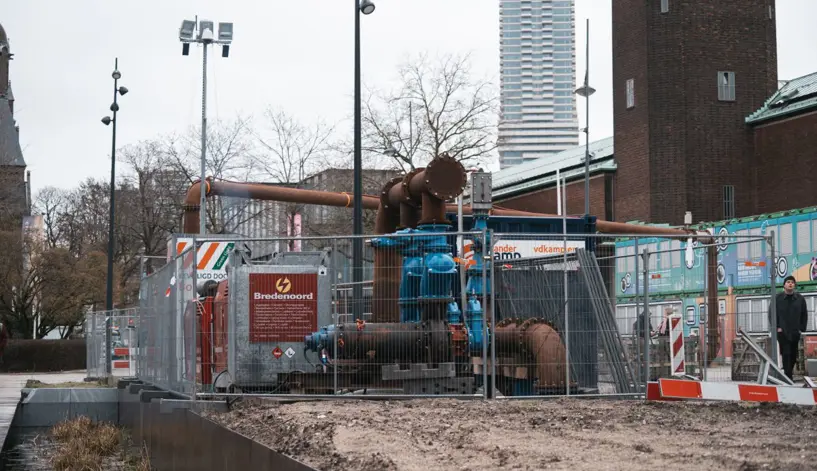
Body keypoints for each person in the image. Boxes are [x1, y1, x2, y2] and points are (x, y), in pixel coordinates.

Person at [770, 275, 808, 380]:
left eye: (792, 282)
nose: (790, 284)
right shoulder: (777, 298)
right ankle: (788, 377)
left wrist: (802, 328)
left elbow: (804, 314)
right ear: (784, 285)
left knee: (793, 356)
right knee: (786, 354)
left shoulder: (800, 299)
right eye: (788, 282)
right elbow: (771, 314)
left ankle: (787, 374)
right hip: (782, 331)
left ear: (794, 285)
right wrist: (776, 327)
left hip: (795, 331)